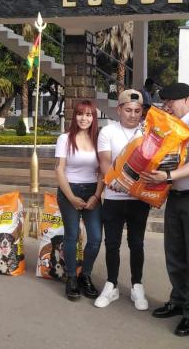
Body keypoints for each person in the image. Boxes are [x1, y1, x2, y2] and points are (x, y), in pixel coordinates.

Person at [141, 82, 189, 337]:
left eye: (171, 102)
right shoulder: (169, 124)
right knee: (174, 252)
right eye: (164, 103)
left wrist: (167, 175)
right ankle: (178, 299)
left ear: (187, 99)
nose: (167, 107)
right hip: (175, 194)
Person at [95, 89, 150, 311]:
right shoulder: (108, 132)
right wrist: (116, 182)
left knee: (137, 243)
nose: (133, 114)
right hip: (114, 197)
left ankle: (137, 285)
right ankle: (112, 284)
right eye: (128, 110)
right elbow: (105, 163)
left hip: (139, 198)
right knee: (112, 243)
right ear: (119, 110)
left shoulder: (148, 133)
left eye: (138, 110)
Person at [54, 99, 103, 301]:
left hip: (92, 190)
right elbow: (59, 169)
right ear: (74, 116)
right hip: (69, 190)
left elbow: (103, 171)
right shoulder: (65, 139)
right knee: (72, 236)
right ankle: (72, 277)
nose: (84, 118)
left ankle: (86, 275)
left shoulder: (99, 140)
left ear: (94, 117)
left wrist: (96, 196)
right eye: (81, 114)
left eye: (89, 114)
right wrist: (72, 197)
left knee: (95, 238)